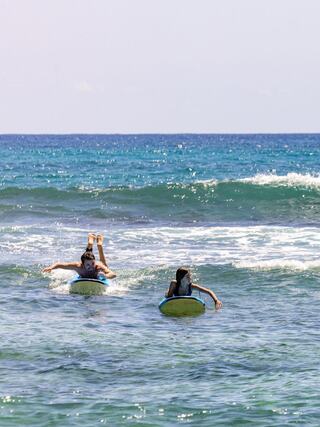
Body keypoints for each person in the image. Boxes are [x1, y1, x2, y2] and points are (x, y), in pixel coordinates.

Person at [42, 233, 116, 279]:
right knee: (87, 256)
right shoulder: (78, 266)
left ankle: (98, 243)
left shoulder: (98, 267)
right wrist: (51, 267)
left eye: (92, 263)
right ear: (82, 264)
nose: (91, 266)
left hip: (100, 266)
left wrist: (106, 276)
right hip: (85, 262)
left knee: (103, 263)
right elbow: (59, 264)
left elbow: (113, 274)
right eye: (88, 264)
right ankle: (91, 241)